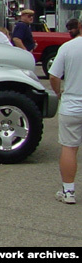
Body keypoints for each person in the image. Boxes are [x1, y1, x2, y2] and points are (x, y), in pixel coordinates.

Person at [48, 18, 82, 204]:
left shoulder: (68, 47)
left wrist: (58, 92)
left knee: (69, 147)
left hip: (73, 103)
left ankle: (68, 191)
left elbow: (54, 75)